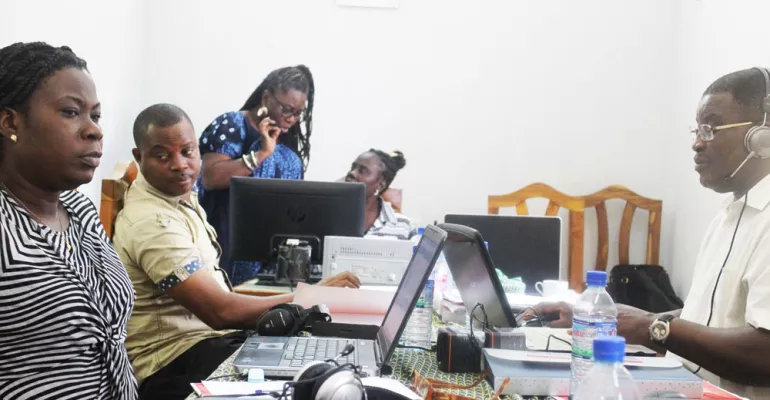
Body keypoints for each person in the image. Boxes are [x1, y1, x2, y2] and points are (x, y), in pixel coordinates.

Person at [530, 68, 770, 399]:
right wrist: (601, 317)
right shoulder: (729, 215)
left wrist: (651, 328)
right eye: (697, 130)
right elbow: (704, 317)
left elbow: (764, 355)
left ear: (761, 136)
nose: (698, 143)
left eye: (712, 128)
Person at [113, 103, 359, 400]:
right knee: (314, 384)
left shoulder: (177, 196)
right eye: (162, 156)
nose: (179, 164)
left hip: (207, 345)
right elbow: (220, 312)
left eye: (187, 151)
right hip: (172, 366)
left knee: (324, 363)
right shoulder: (152, 223)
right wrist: (311, 296)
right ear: (139, 157)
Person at [0, 42, 136, 399]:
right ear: (10, 122)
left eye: (96, 116)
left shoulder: (80, 209)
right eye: (71, 112)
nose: (94, 131)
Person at [197, 65, 314, 285]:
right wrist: (261, 154)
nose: (291, 118)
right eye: (286, 109)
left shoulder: (288, 146)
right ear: (266, 98)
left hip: (270, 256)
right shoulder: (233, 124)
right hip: (223, 248)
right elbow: (211, 178)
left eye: (298, 113)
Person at [345, 149, 416, 240]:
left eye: (363, 171)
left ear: (380, 185)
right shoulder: (331, 215)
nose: (352, 173)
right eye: (353, 167)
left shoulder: (402, 226)